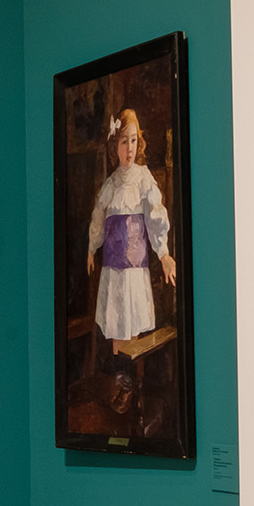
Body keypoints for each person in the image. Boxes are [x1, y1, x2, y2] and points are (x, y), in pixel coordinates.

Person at [85, 108, 176, 354]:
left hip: (134, 271)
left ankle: (131, 372)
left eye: (133, 140)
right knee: (116, 327)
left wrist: (164, 254)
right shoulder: (110, 184)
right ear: (115, 145)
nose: (129, 148)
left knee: (133, 331)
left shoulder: (143, 179)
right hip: (113, 271)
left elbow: (156, 216)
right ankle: (119, 369)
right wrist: (92, 248)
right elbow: (98, 218)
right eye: (124, 141)